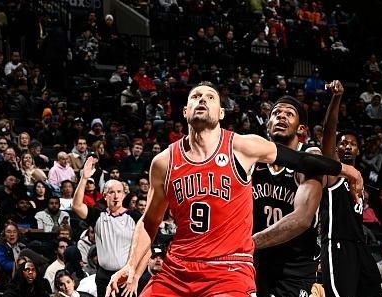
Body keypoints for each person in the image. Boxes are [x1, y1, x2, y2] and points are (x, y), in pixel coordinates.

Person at [106, 82, 363, 297]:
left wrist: (343, 168)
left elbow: (302, 160)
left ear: (221, 113)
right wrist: (132, 266)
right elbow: (149, 220)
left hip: (228, 267)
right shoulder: (163, 162)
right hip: (178, 268)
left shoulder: (243, 147)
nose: (202, 100)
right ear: (185, 111)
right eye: (196, 96)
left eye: (210, 97)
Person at [251, 95, 323, 297]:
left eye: (289, 114)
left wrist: (248, 243)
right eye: (276, 113)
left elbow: (302, 220)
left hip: (296, 263)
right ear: (268, 125)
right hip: (260, 259)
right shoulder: (253, 159)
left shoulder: (309, 158)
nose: (281, 117)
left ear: (301, 129)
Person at [320, 80, 382, 297]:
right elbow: (329, 132)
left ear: (359, 149)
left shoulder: (360, 179)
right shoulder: (332, 172)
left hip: (360, 246)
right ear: (336, 148)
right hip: (337, 244)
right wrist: (336, 99)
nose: (347, 146)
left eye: (352, 143)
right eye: (343, 143)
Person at [72, 156, 141, 297]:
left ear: (124, 195)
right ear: (105, 195)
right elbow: (76, 205)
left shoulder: (135, 217)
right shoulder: (98, 216)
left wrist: (136, 276)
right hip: (104, 276)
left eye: (119, 192)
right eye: (111, 192)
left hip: (127, 276)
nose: (116, 195)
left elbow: (145, 250)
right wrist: (84, 178)